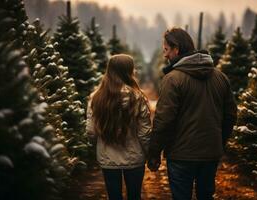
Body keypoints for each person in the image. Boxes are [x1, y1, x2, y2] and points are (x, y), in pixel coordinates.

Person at [147, 27, 237, 200]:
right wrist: (219, 142)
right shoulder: (220, 77)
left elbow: (164, 120)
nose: (165, 55)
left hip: (181, 155)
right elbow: (230, 115)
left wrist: (154, 152)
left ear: (176, 49)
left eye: (166, 50)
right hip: (211, 153)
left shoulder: (173, 79)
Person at [86, 54, 152, 200]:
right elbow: (144, 133)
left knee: (113, 196)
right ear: (129, 71)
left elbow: (91, 131)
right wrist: (149, 153)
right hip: (134, 158)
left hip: (107, 158)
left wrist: (95, 148)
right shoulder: (138, 97)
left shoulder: (96, 98)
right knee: (134, 196)